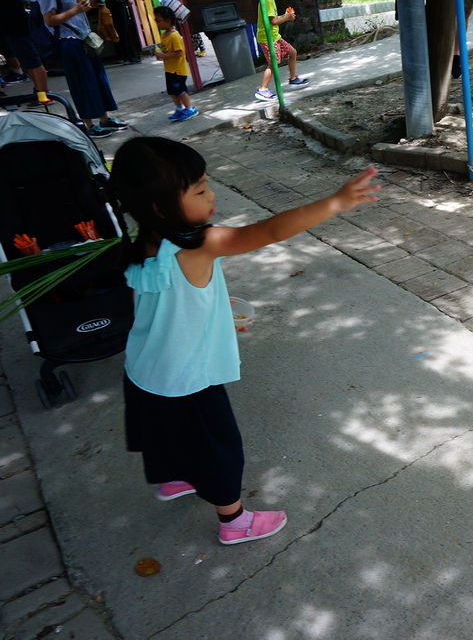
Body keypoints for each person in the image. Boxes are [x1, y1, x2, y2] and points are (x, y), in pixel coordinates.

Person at [108, 137, 380, 545]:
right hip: (187, 379)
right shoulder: (201, 243)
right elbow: (268, 230)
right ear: (161, 207)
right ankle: (233, 520)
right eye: (199, 189)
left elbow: (165, 308)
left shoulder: (145, 243)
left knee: (164, 433)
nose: (211, 194)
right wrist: (335, 202)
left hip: (145, 370)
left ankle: (174, 479)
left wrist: (214, 320)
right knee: (219, 445)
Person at [36, 0, 126, 138]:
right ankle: (89, 125)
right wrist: (76, 10)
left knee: (98, 79)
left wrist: (88, 5)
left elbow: (71, 11)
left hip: (82, 39)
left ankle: (104, 119)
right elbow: (49, 20)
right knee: (82, 82)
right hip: (69, 42)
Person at [0, 0, 51, 104]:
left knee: (31, 60)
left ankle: (43, 95)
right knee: (28, 61)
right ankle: (40, 93)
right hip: (13, 22)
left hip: (13, 23)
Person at [253, 0, 308, 101]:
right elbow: (273, 21)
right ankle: (262, 89)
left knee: (292, 52)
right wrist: (287, 17)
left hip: (274, 36)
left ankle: (293, 78)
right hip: (267, 38)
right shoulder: (267, 0)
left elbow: (273, 18)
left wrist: (285, 15)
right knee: (273, 64)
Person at [152, 5, 196, 122]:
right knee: (172, 92)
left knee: (181, 91)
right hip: (169, 70)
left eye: (157, 20)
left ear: (167, 20)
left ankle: (190, 109)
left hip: (178, 71)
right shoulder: (164, 35)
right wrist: (159, 52)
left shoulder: (174, 36)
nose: (156, 23)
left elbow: (179, 53)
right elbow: (164, 48)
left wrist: (163, 56)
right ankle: (179, 108)